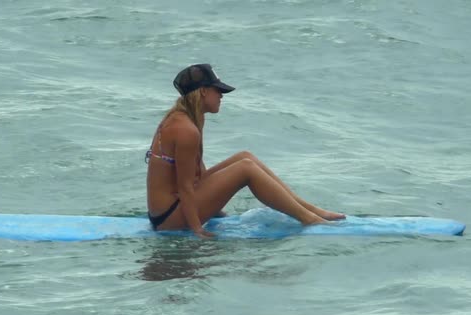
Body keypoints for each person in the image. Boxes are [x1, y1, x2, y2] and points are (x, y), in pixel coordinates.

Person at [146, 64, 345, 238]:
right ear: (203, 92)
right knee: (245, 169)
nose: (221, 95)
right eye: (218, 90)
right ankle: (309, 219)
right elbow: (186, 187)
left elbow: (197, 171)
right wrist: (197, 229)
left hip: (171, 209)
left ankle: (312, 210)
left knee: (245, 157)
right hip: (168, 219)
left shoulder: (185, 117)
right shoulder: (186, 129)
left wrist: (214, 208)